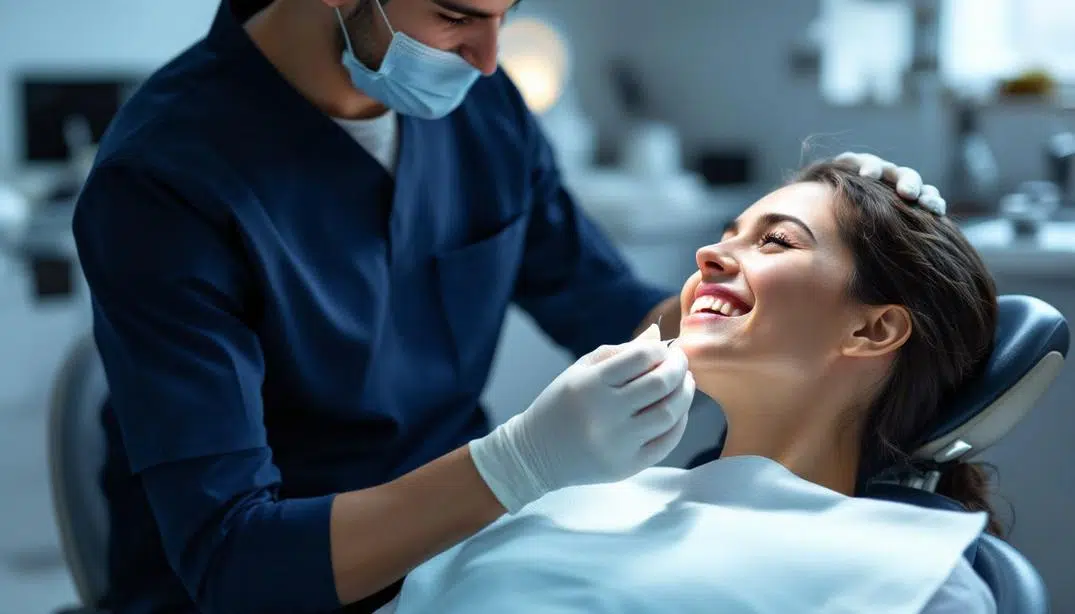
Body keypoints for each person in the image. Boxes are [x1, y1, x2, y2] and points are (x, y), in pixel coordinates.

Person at [69, 0, 941, 611]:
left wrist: (859, 266)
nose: (489, 61)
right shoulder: (163, 181)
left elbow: (606, 302)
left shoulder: (479, 111)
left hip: (464, 556)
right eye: (455, 15)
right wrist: (513, 467)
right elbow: (234, 560)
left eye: (506, 14)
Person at [373, 158, 1001, 613]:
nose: (708, 253)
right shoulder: (569, 502)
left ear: (872, 329)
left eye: (776, 241)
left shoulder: (911, 582)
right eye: (727, 234)